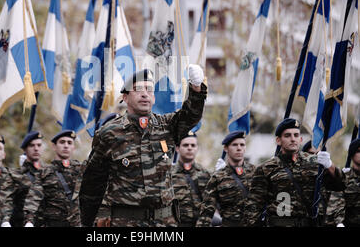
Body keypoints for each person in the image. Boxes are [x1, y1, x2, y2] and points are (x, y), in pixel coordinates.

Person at [79, 65, 207, 227]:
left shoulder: (166, 126)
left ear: (154, 98)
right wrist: (88, 222)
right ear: (125, 97)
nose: (145, 94)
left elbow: (190, 116)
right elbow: (93, 183)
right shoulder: (109, 133)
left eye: (149, 89)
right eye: (138, 89)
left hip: (164, 222)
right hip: (126, 222)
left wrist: (196, 89)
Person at [243, 118, 345, 227]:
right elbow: (254, 204)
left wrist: (330, 165)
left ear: (300, 139)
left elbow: (340, 185)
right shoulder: (266, 168)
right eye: (287, 136)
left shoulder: (315, 163)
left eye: (296, 135)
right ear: (278, 140)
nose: (293, 139)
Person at [23, 130, 82, 227]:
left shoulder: (81, 170)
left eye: (69, 143)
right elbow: (34, 197)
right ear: (54, 146)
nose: (66, 145)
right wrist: (29, 221)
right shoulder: (44, 172)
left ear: (73, 147)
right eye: (62, 142)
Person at [196, 130, 255, 227]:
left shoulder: (256, 172)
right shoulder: (218, 177)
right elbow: (206, 211)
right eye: (234, 145)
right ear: (226, 148)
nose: (239, 148)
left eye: (242, 145)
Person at [2, 131, 45, 227]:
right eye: (32, 145)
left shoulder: (50, 173)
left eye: (39, 145)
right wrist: (5, 221)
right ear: (25, 149)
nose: (36, 149)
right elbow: (6, 200)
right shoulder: (15, 175)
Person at [172, 131, 210, 227]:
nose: (190, 148)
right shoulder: (169, 175)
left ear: (197, 148)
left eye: (193, 145)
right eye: (185, 145)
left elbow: (211, 204)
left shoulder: (205, 174)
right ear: (177, 148)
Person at [340, 138, 360, 227]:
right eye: (359, 151)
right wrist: (339, 223)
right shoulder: (343, 178)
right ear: (352, 155)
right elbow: (335, 205)